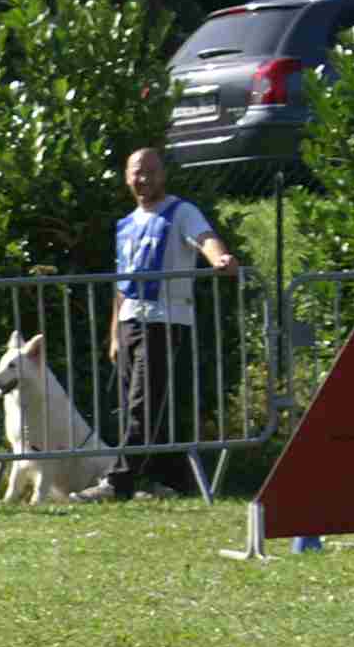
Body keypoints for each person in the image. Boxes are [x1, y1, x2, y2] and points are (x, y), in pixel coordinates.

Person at [75, 147, 236, 502]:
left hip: (165, 322)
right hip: (130, 322)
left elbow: (205, 238)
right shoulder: (127, 224)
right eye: (136, 172)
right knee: (145, 407)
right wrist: (114, 334)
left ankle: (118, 483)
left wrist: (220, 258)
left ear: (163, 175)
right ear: (126, 177)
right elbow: (122, 283)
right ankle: (168, 481)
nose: (143, 178)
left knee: (143, 405)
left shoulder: (181, 212)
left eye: (150, 171)